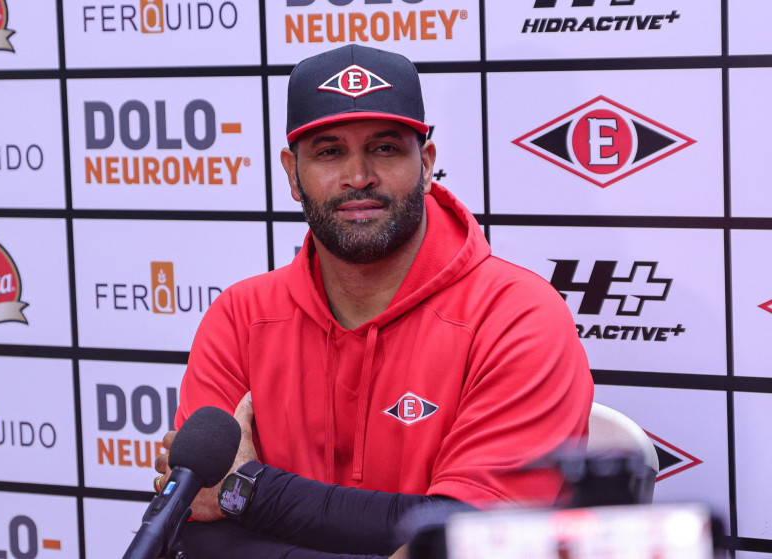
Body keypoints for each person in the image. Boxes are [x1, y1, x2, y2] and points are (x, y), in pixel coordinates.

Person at [154, 43, 593, 558]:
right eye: (329, 152)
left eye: (385, 148)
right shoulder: (240, 317)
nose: (358, 176)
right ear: (292, 173)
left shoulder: (517, 316)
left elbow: (467, 543)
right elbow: (197, 532)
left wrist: (251, 492)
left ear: (426, 164)